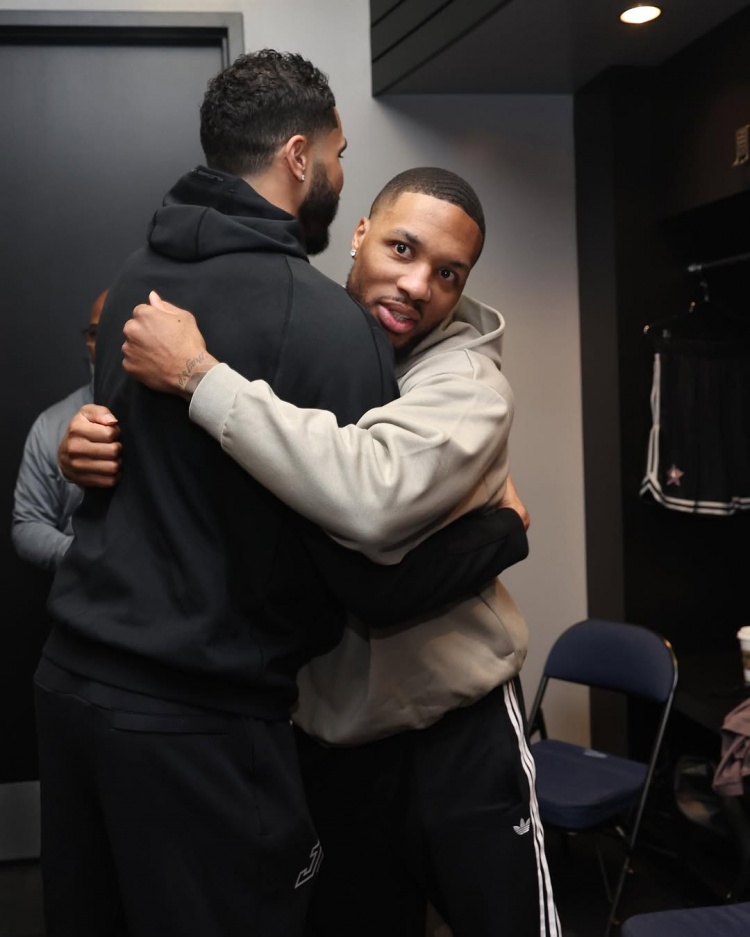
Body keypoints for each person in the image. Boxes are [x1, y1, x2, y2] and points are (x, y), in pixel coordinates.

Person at [35, 53, 525, 937]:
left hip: (450, 720)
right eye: (403, 249)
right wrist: (94, 450)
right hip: (326, 727)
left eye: (450, 273)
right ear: (358, 228)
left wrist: (503, 532)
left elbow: (369, 512)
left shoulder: (464, 382)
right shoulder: (316, 326)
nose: (419, 284)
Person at [11, 289, 106, 570]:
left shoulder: (169, 417)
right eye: (95, 333)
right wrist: (84, 560)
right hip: (82, 590)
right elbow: (27, 524)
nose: (105, 343)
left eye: (115, 330)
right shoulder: (51, 425)